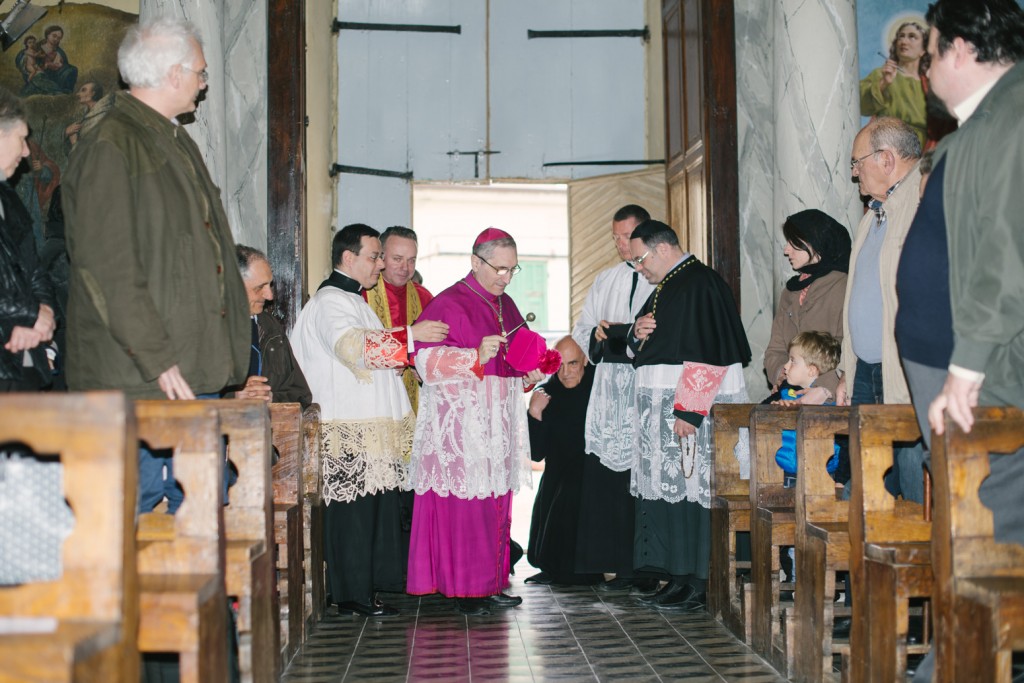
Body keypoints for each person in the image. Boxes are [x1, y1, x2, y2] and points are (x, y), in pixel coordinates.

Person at [62, 18, 251, 512]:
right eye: (201, 74)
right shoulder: (110, 142)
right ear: (172, 74)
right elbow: (107, 267)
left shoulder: (168, 137)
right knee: (139, 518)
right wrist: (157, 357)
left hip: (184, 369)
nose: (204, 84)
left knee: (201, 513)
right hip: (143, 375)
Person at [893, 2, 1024, 680]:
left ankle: (958, 666)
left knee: (991, 532)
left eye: (931, 49)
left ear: (961, 47)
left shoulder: (1013, 116)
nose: (924, 67)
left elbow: (1008, 249)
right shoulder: (985, 122)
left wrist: (966, 366)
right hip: (967, 363)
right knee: (976, 531)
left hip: (995, 369)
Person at [289, 223, 447, 617]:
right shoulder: (329, 302)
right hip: (349, 430)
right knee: (352, 516)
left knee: (370, 512)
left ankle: (365, 588)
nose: (379, 264)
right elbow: (352, 347)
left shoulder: (356, 301)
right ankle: (350, 594)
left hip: (368, 431)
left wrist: (395, 358)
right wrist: (410, 336)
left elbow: (372, 354)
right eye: (375, 256)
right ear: (348, 257)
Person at [406, 227, 546, 616]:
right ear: (475, 262)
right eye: (499, 269)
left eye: (512, 270)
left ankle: (491, 582)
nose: (505, 277)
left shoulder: (507, 305)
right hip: (461, 429)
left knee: (496, 503)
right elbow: (424, 364)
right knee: (467, 507)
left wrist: (529, 374)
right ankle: (466, 589)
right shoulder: (449, 303)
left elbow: (514, 362)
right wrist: (473, 355)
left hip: (497, 423)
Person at [628, 219, 752, 612]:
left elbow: (708, 353)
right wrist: (636, 334)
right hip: (666, 409)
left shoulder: (700, 283)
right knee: (674, 495)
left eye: (640, 258)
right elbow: (647, 346)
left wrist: (690, 411)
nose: (638, 268)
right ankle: (679, 575)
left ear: (662, 249)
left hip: (690, 412)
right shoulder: (667, 284)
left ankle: (702, 580)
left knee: (696, 492)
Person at [569, 204, 657, 591]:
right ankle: (617, 564)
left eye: (628, 236)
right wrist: (602, 339)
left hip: (645, 390)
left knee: (646, 475)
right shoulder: (606, 279)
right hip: (610, 392)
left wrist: (625, 336)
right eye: (616, 237)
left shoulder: (661, 278)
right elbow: (583, 328)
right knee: (610, 481)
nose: (622, 245)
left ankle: (649, 566)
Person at [837, 116, 925, 502]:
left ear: (886, 159)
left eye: (858, 162)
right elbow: (859, 295)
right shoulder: (873, 214)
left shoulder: (924, 199)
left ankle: (917, 562)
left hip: (904, 370)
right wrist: (846, 370)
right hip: (867, 371)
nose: (855, 173)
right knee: (868, 490)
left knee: (908, 488)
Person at [525, 336, 601, 586]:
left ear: (586, 362)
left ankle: (584, 568)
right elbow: (536, 454)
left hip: (593, 471)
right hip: (557, 471)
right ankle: (553, 568)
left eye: (573, 364)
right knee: (560, 488)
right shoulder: (548, 393)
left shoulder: (600, 389)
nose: (566, 373)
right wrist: (534, 412)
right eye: (560, 366)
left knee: (572, 490)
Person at [0, 87, 56, 392]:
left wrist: (43, 313)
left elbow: (33, 268)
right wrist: (29, 314)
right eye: (21, 139)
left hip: (24, 357)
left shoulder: (9, 199)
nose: (26, 152)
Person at [763, 209, 851, 403]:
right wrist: (783, 373)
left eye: (794, 243)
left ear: (817, 243)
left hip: (831, 398)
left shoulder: (843, 285)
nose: (786, 250)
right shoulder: (791, 290)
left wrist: (823, 387)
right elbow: (775, 349)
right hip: (791, 394)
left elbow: (849, 347)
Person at [231, 245, 311, 408]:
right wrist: (233, 398)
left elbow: (301, 395)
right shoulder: (207, 329)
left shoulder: (270, 326)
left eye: (270, 285)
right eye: (259, 287)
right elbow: (186, 396)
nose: (269, 296)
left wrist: (271, 397)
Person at [861, 21, 931, 146]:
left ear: (924, 49)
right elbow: (860, 104)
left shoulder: (930, 85)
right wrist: (883, 83)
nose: (904, 41)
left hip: (921, 150)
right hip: (887, 144)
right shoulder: (880, 74)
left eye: (912, 37)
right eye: (901, 36)